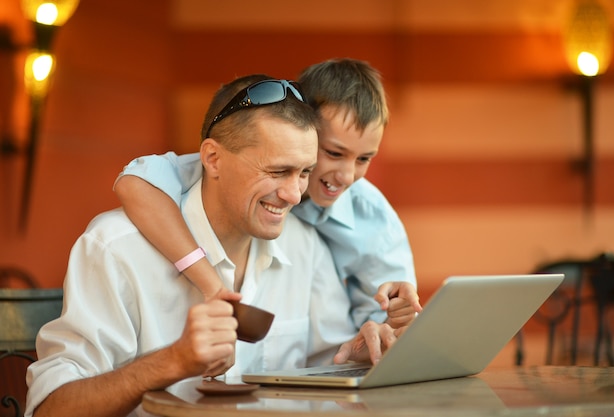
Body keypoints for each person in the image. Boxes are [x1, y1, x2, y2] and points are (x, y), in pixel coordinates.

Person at [26, 75, 400, 417]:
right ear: (212, 159)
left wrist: (362, 356)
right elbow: (50, 408)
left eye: (303, 172)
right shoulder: (115, 248)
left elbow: (327, 366)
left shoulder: (305, 245)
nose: (294, 195)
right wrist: (171, 362)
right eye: (276, 171)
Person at [114, 58, 421, 330]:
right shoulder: (223, 166)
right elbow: (134, 182)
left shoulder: (373, 217)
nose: (348, 175)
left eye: (364, 159)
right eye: (333, 152)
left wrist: (396, 313)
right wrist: (211, 284)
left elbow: (386, 320)